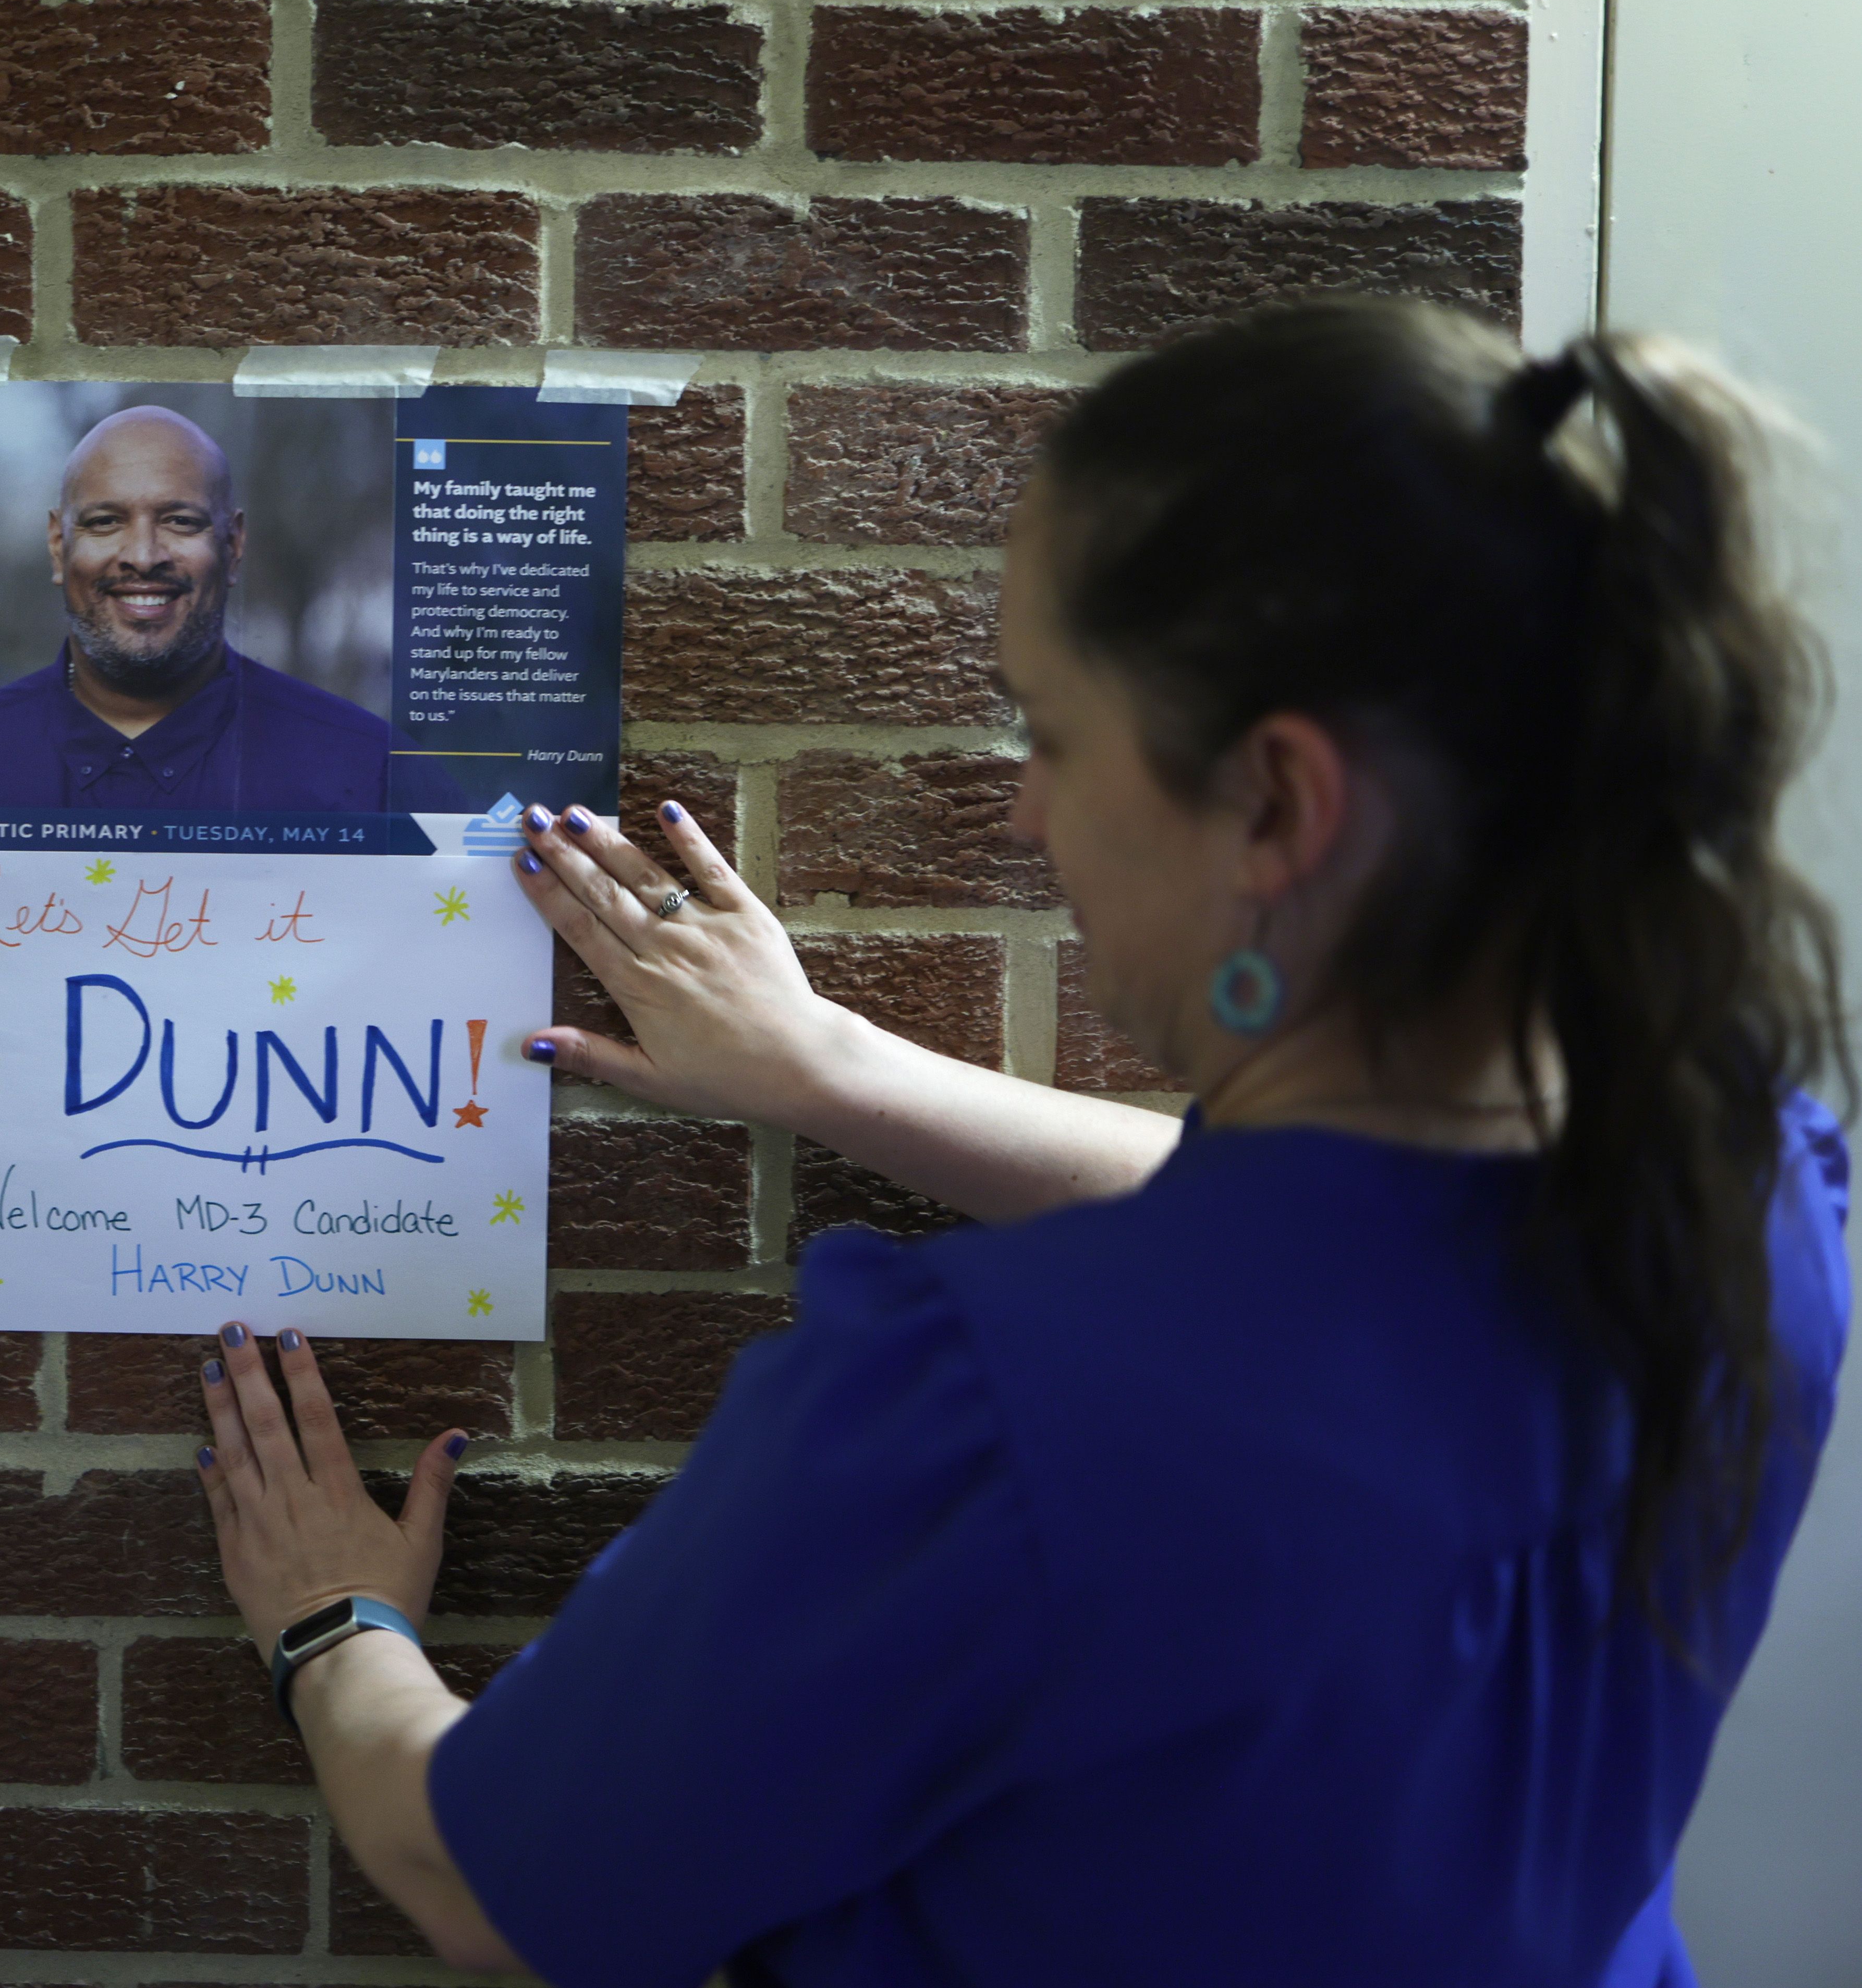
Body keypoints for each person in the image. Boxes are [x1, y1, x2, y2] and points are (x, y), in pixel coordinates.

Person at [188, 300, 1853, 1986]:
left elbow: (483, 1882)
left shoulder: (978, 1417)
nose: (1020, 809)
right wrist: (830, 1067)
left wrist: (335, 1627)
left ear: (1273, 804)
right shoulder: (1745, 1185)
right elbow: (1335, 1277)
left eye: (1047, 733)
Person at [0, 404, 465, 814]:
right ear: (59, 548)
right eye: (105, 522)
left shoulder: (376, 777)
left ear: (232, 548)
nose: (144, 556)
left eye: (180, 521)